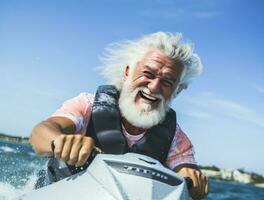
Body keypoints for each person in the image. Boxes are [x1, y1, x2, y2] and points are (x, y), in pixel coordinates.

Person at [30, 32, 209, 199]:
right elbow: (41, 133)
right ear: (127, 72)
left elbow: (186, 170)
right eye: (148, 74)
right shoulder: (87, 105)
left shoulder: (176, 138)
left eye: (167, 82)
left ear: (176, 91)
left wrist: (195, 181)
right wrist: (60, 141)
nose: (154, 87)